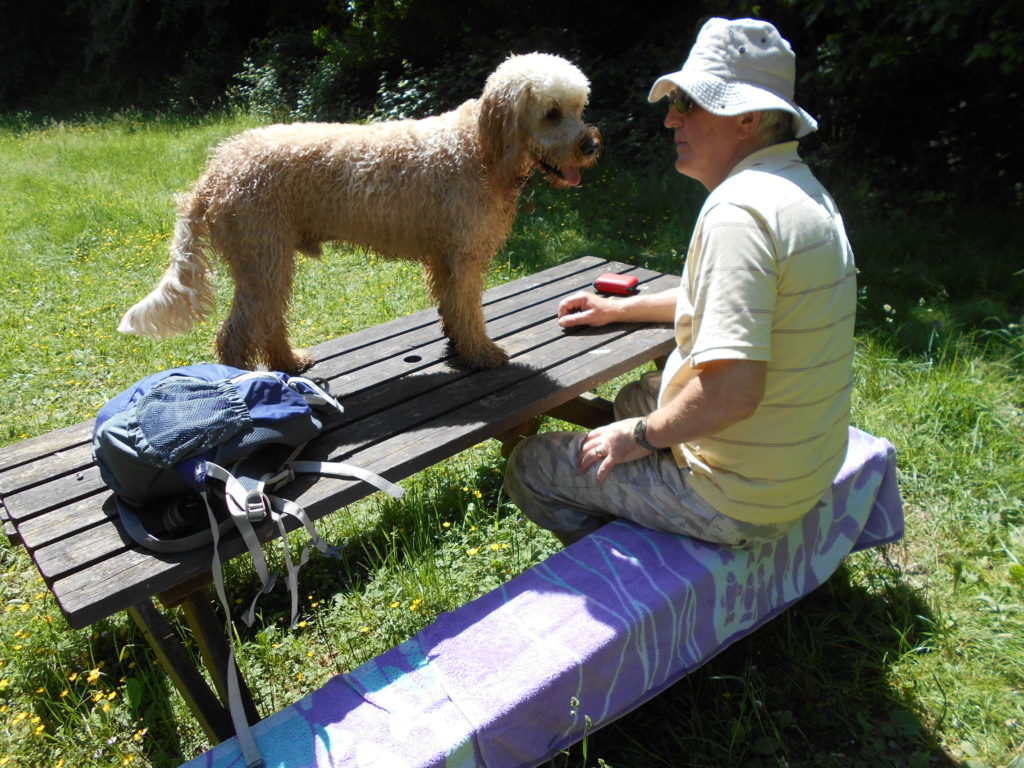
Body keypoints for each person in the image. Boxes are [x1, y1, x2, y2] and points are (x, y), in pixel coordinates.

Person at [503, 17, 857, 548]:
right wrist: (618, 309)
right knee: (631, 398)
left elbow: (731, 395)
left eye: (688, 103)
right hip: (799, 464)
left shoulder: (739, 214)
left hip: (741, 498)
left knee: (532, 466)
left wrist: (641, 438)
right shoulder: (798, 192)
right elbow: (719, 303)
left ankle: (639, 567)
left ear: (748, 117)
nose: (670, 119)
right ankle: (642, 498)